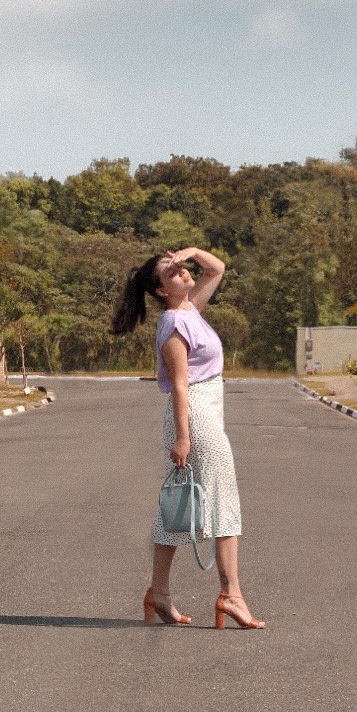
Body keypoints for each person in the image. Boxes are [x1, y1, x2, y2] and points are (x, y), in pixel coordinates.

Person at [111, 247, 265, 629]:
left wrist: (192, 251)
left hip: (208, 408)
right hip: (194, 414)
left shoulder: (190, 310)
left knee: (181, 504)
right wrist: (183, 438)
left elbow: (217, 268)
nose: (182, 271)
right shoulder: (173, 324)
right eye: (172, 271)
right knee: (221, 499)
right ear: (162, 291)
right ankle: (231, 595)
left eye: (181, 267)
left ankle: (158, 593)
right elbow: (180, 385)